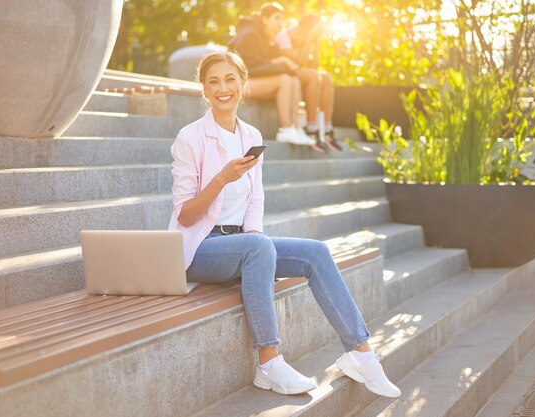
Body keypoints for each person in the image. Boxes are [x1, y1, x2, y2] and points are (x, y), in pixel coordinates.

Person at [168, 50, 401, 398]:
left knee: (316, 253)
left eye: (230, 79)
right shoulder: (190, 138)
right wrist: (219, 180)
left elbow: (255, 199)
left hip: (243, 245)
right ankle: (269, 361)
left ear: (243, 84)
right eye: (213, 81)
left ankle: (361, 354)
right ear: (203, 89)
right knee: (258, 247)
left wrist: (256, 244)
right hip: (198, 248)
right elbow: (185, 214)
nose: (223, 88)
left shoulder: (250, 134)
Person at [228, 3, 323, 151]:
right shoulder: (250, 34)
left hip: (251, 80)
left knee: (294, 80)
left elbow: (265, 62)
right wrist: (282, 64)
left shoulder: (264, 37)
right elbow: (250, 68)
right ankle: (285, 130)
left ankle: (294, 129)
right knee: (285, 80)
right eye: (276, 18)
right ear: (265, 19)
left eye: (282, 19)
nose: (281, 23)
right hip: (237, 83)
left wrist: (282, 62)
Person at [275, 14, 342, 151]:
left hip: (300, 72)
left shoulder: (309, 38)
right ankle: (311, 127)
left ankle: (327, 129)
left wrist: (315, 44)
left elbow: (314, 65)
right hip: (285, 71)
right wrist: (308, 42)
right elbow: (298, 63)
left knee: (326, 78)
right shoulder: (285, 35)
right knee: (313, 76)